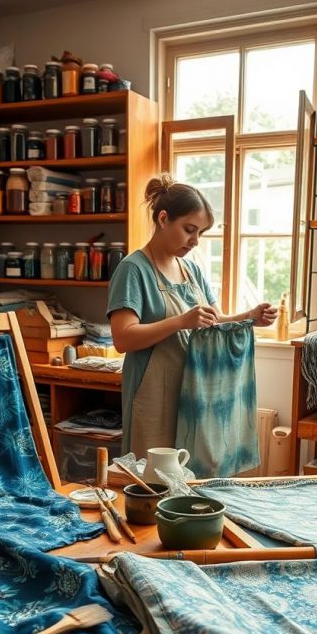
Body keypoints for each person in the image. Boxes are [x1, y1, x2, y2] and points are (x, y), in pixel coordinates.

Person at [107, 174, 277, 459]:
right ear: (163, 219)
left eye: (201, 233)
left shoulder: (192, 270)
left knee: (191, 475)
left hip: (194, 392)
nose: (195, 241)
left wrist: (250, 316)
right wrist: (180, 322)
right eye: (189, 229)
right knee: (153, 478)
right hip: (154, 395)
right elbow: (123, 337)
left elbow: (213, 320)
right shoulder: (133, 269)